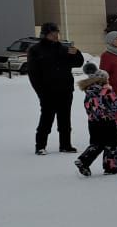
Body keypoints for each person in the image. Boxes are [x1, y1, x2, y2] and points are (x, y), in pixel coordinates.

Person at [28, 22, 84, 155]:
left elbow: (78, 63)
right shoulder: (36, 50)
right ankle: (40, 146)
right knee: (47, 118)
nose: (55, 36)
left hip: (65, 90)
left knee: (65, 119)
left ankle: (65, 145)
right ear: (45, 34)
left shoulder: (63, 48)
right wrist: (40, 92)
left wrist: (77, 53)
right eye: (52, 34)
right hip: (47, 91)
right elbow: (33, 74)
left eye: (56, 33)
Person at [74, 63, 117, 177]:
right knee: (112, 144)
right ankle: (110, 167)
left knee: (97, 143)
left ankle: (83, 161)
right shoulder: (106, 91)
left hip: (93, 121)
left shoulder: (89, 91)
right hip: (108, 121)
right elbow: (116, 106)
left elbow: (89, 107)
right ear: (103, 79)